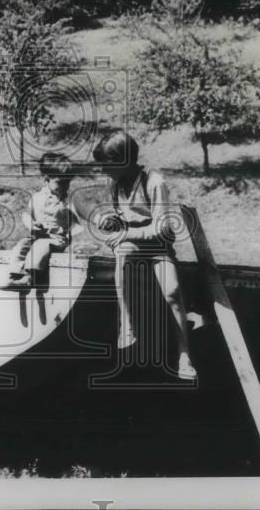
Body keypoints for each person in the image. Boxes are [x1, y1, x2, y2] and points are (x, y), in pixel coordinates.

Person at [92, 131, 197, 380]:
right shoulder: (116, 183)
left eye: (107, 165)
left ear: (124, 161)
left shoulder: (153, 182)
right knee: (124, 254)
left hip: (158, 249)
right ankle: (127, 325)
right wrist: (111, 223)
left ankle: (185, 354)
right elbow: (121, 219)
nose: (104, 171)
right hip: (132, 248)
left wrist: (126, 235)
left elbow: (160, 228)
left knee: (171, 292)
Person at [0, 152, 79, 291]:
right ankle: (14, 275)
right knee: (22, 245)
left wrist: (72, 238)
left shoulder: (67, 201)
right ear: (47, 179)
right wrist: (31, 224)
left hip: (57, 239)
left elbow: (76, 224)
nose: (64, 187)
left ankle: (29, 278)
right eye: (60, 183)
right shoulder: (37, 198)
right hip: (38, 237)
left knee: (41, 245)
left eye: (68, 182)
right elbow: (26, 214)